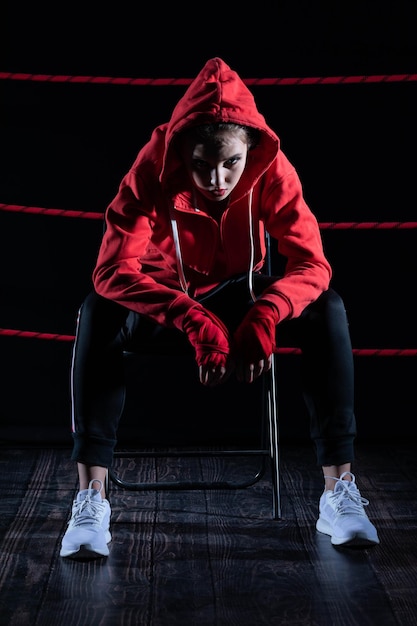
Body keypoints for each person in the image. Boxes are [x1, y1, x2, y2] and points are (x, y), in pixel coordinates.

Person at [60, 57, 379, 559]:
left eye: (230, 162)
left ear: (248, 151)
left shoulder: (271, 166)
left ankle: (338, 491)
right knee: (96, 309)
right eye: (202, 165)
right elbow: (111, 270)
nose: (217, 179)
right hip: (169, 304)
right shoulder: (153, 164)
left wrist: (267, 313)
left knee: (328, 307)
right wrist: (190, 317)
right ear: (181, 154)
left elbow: (312, 264)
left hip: (241, 297)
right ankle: (90, 497)